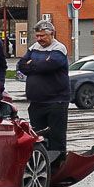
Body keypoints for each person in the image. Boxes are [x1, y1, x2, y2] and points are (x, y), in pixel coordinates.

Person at [17, 20, 70, 162]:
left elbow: (50, 66)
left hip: (56, 102)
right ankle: (43, 163)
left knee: (56, 136)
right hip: (36, 102)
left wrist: (32, 65)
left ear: (51, 34)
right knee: (39, 136)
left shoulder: (59, 49)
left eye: (43, 36)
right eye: (37, 36)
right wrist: (38, 64)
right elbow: (21, 65)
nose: (39, 39)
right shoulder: (34, 47)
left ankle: (58, 165)